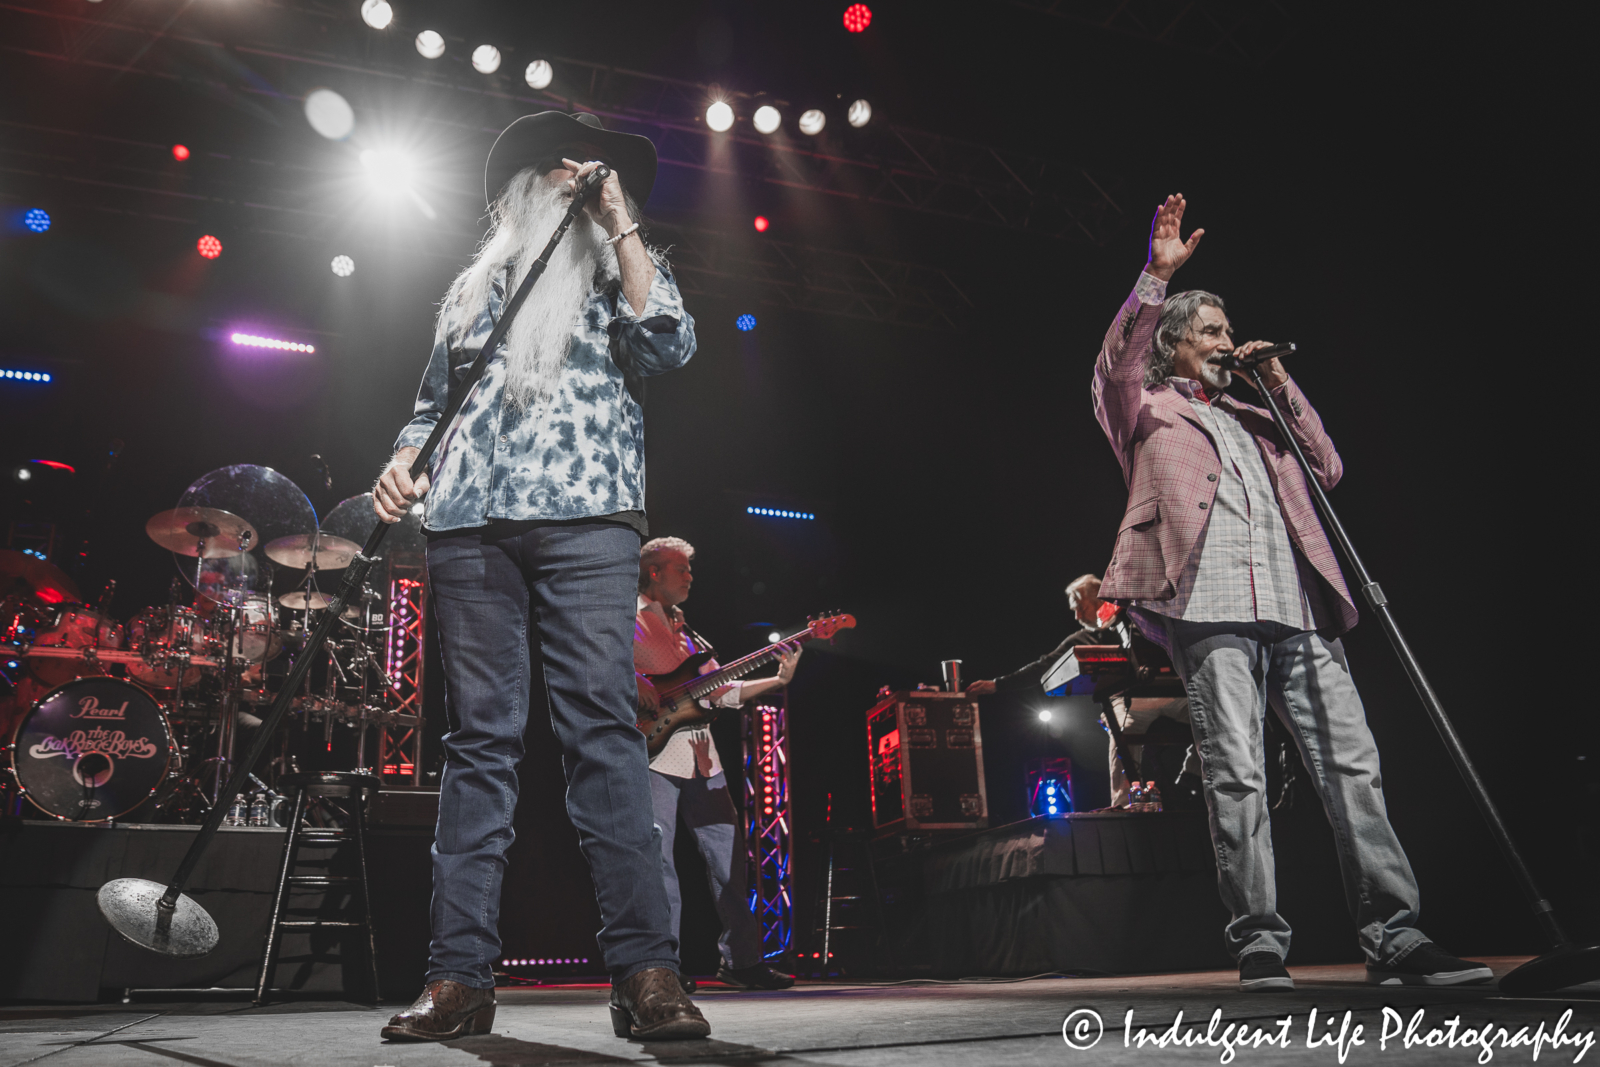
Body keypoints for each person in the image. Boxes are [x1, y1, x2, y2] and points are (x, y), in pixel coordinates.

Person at [1089, 192, 1493, 992]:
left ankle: (1396, 935)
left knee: (1354, 766)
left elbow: (1329, 468)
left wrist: (1274, 376)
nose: (1226, 342)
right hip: (1205, 607)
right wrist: (1154, 278)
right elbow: (1115, 365)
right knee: (1235, 773)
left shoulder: (1255, 412)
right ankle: (1261, 943)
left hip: (1300, 607)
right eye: (1211, 331)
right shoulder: (1147, 408)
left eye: (1228, 330)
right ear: (1176, 345)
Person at [372, 112, 709, 1041]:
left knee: (601, 731)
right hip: (469, 522)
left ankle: (647, 970)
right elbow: (428, 410)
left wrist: (622, 219)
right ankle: (459, 977)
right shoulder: (473, 289)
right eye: (558, 166)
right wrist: (401, 463)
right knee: (479, 742)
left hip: (589, 518)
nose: (576, 174)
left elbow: (669, 342)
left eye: (588, 168)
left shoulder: (618, 269)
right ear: (520, 187)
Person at [634, 537, 799, 990]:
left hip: (704, 759)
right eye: (681, 569)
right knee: (659, 863)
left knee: (730, 863)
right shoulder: (625, 618)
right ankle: (662, 967)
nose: (689, 577)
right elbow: (595, 661)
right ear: (654, 571)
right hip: (654, 754)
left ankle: (743, 962)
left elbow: (720, 691)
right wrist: (633, 679)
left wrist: (777, 678)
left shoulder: (688, 631)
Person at [969, 575, 1200, 809]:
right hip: (1129, 700)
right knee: (1123, 729)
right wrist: (997, 684)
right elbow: (1043, 665)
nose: (1077, 616)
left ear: (1100, 599)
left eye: (1080, 607)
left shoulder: (1136, 617)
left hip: (1167, 692)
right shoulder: (1083, 638)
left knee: (1210, 712)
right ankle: (1123, 804)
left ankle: (1192, 779)